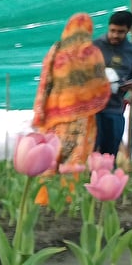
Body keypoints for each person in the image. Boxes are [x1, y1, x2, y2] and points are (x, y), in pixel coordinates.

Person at [32, 13, 111, 167]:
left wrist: (40, 110)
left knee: (51, 153)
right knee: (74, 157)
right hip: (82, 114)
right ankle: (69, 182)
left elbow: (45, 82)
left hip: (54, 114)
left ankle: (45, 182)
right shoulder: (92, 53)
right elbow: (101, 83)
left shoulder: (55, 51)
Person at [93, 10, 132, 156]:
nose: (115, 35)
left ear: (128, 30)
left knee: (110, 153)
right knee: (91, 151)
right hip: (92, 109)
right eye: (112, 30)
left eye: (120, 32)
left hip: (114, 108)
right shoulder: (94, 47)